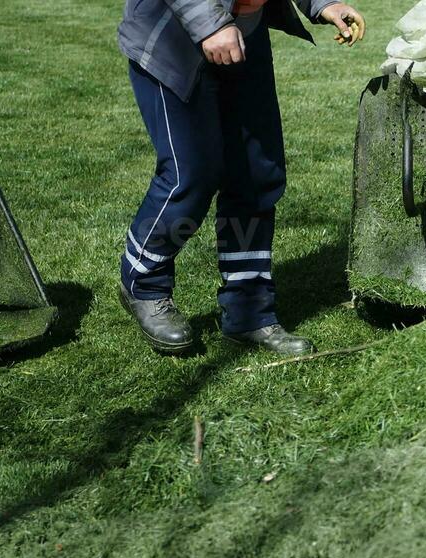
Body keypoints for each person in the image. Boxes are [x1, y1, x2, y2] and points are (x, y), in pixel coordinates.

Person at [116, 0, 366, 354]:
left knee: (256, 175)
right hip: (173, 40)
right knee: (190, 177)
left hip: (243, 35)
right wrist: (210, 25)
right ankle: (144, 281)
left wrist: (322, 4)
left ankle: (249, 311)